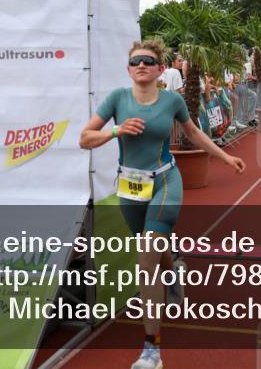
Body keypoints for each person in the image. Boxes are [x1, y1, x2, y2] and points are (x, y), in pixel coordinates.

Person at [78, 40, 245, 369]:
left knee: (147, 259)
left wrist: (225, 156)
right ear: (129, 69)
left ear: (159, 70)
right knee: (154, 245)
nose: (141, 65)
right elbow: (85, 138)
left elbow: (194, 133)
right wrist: (117, 131)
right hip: (130, 185)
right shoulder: (117, 99)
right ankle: (174, 272)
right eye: (136, 61)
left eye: (148, 61)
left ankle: (151, 350)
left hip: (165, 181)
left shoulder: (171, 100)